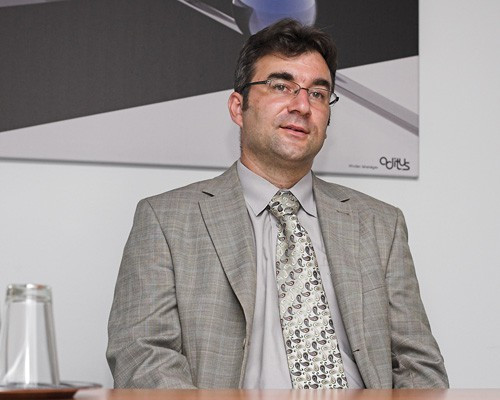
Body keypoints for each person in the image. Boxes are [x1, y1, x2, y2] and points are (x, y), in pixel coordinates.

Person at [107, 19, 448, 389]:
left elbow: (418, 365)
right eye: (281, 86)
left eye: (318, 93)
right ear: (238, 107)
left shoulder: (381, 225)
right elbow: (142, 354)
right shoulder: (166, 221)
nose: (302, 105)